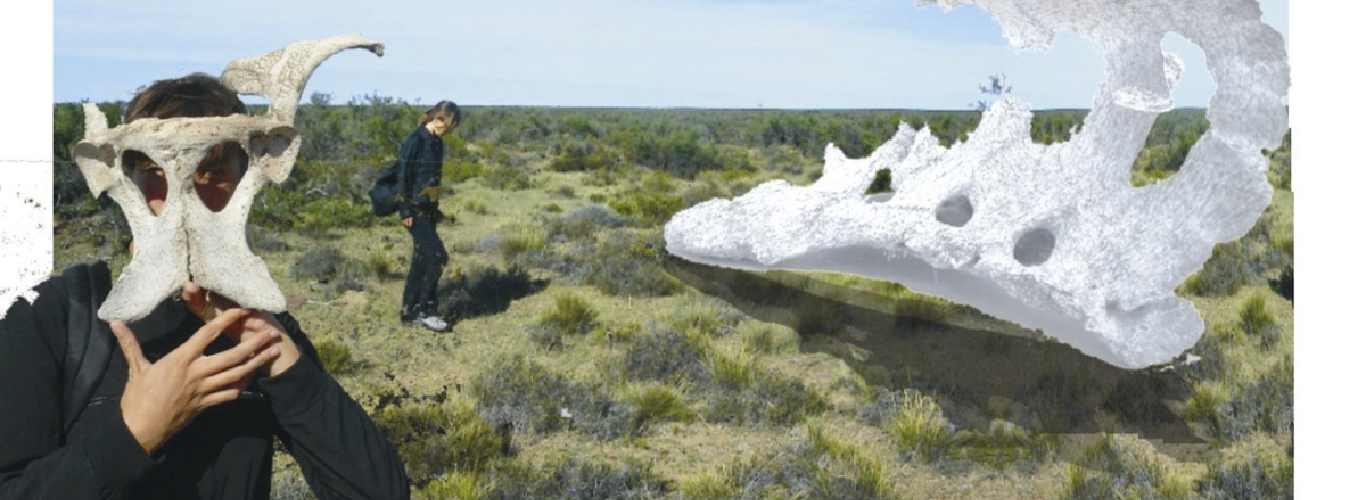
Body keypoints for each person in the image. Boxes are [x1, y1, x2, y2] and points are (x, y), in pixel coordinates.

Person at [0, 74, 410, 500]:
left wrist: (282, 362)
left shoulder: (256, 323)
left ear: (247, 176)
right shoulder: (53, 316)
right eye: (155, 170)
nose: (183, 195)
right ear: (124, 180)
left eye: (210, 169)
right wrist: (132, 435)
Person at [397, 101, 460, 332]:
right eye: (449, 125)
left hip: (428, 209)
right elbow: (403, 176)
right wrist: (405, 209)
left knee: (422, 259)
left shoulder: (436, 143)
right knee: (438, 256)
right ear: (439, 119)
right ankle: (426, 311)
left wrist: (435, 208)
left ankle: (409, 312)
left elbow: (433, 178)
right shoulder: (415, 140)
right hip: (413, 210)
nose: (449, 131)